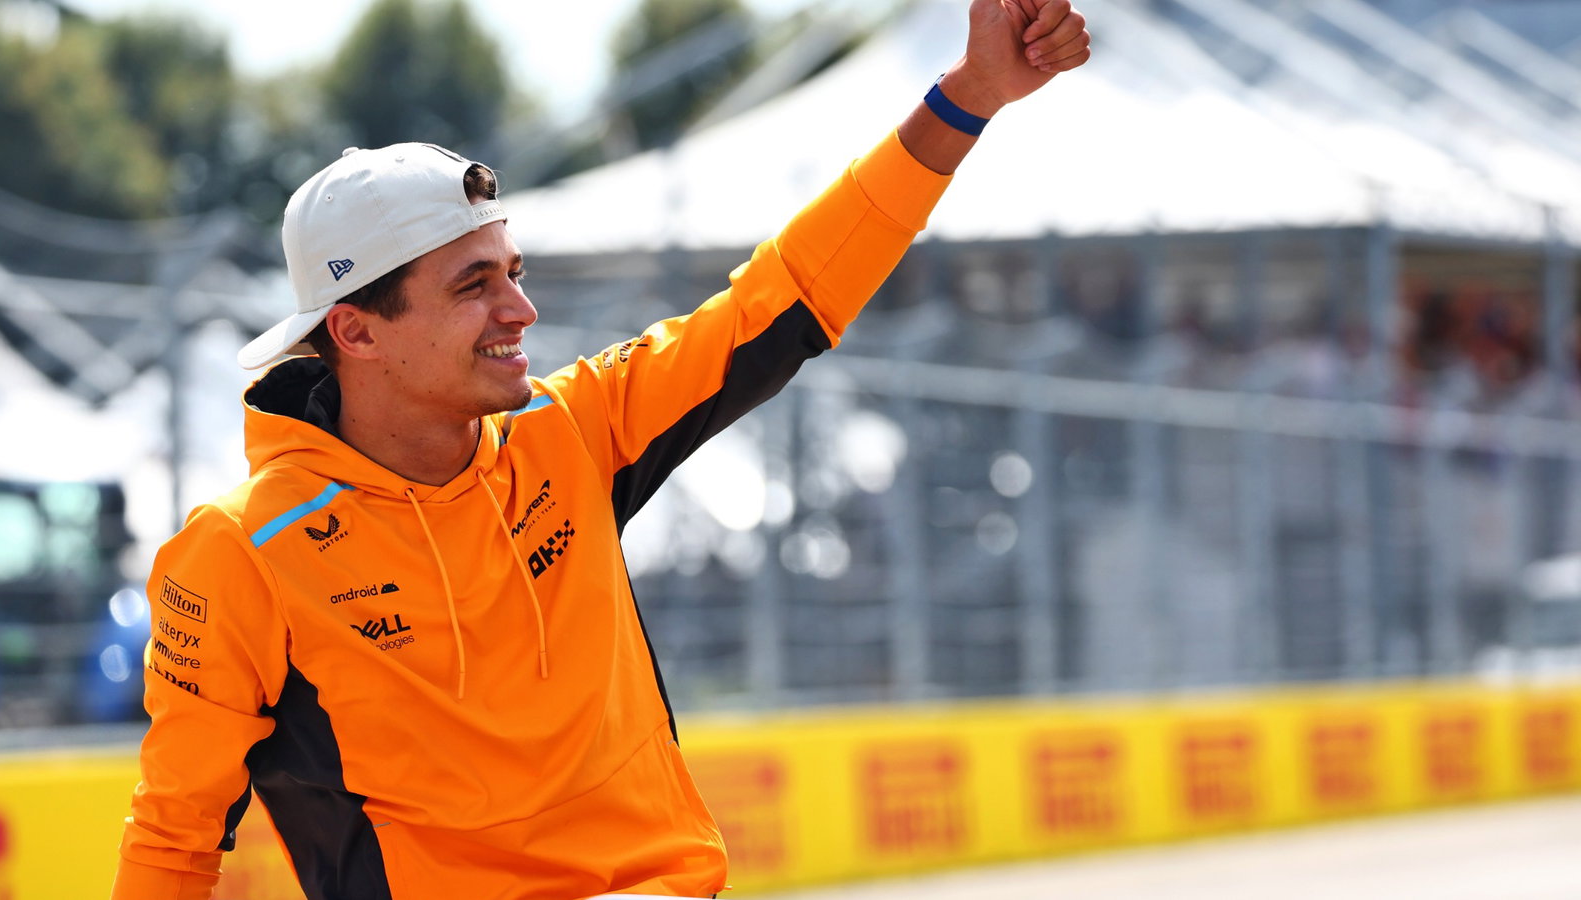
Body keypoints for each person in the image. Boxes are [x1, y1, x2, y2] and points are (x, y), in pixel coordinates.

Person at [111, 2, 1091, 898]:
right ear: (355, 331)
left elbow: (785, 294)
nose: (520, 310)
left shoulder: (571, 430)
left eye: (513, 272)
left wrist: (967, 97)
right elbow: (173, 840)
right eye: (472, 286)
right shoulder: (242, 553)